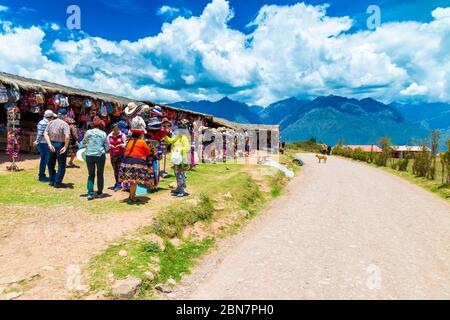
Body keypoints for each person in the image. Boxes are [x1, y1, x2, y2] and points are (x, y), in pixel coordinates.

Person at [118, 129, 152, 203]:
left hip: (127, 162)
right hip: (137, 163)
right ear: (140, 135)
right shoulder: (142, 142)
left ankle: (131, 195)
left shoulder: (129, 141)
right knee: (134, 181)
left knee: (131, 181)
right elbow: (148, 152)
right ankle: (132, 198)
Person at [81, 117, 109, 201]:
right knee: (100, 174)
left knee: (91, 175)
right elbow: (107, 147)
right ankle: (100, 192)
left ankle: (90, 193)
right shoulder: (103, 133)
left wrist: (88, 147)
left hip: (89, 155)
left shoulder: (88, 132)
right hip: (100, 155)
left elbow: (83, 143)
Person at [44, 109, 71, 188]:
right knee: (61, 164)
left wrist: (49, 143)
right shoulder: (65, 124)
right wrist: (65, 147)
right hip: (60, 144)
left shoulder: (51, 122)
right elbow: (67, 136)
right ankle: (57, 182)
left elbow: (45, 133)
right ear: (64, 115)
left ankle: (52, 180)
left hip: (52, 144)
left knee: (51, 163)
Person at [165, 121, 191, 197]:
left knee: (180, 175)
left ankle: (182, 190)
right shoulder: (176, 137)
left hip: (182, 159)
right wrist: (164, 136)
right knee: (177, 174)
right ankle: (178, 188)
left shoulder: (183, 137)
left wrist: (180, 149)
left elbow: (187, 147)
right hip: (177, 159)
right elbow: (171, 141)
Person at [34, 110, 56, 182]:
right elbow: (40, 134)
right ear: (50, 117)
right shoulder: (44, 123)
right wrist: (37, 141)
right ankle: (41, 176)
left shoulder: (44, 122)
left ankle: (44, 175)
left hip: (44, 143)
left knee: (45, 159)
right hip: (43, 143)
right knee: (44, 160)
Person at [108, 123, 127, 191]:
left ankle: (119, 184)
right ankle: (117, 182)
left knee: (120, 169)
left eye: (117, 129)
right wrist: (110, 146)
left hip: (121, 154)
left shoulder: (122, 135)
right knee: (115, 170)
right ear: (112, 129)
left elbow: (126, 144)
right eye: (114, 129)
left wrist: (121, 145)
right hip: (113, 155)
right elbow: (107, 145)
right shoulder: (109, 136)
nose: (116, 130)